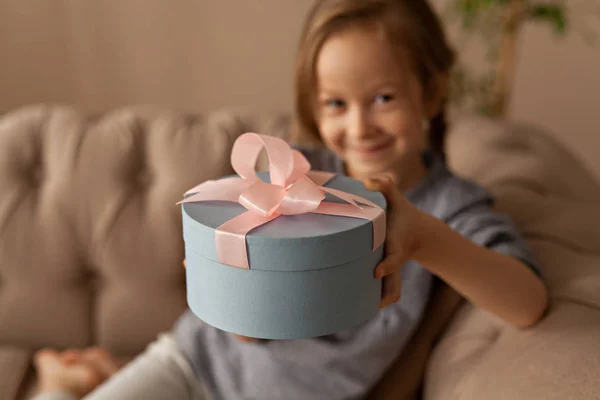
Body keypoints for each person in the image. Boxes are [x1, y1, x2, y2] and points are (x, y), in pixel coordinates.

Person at [32, 1, 548, 399]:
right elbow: (244, 329)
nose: (358, 126)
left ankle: (86, 377)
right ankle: (63, 380)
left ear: (431, 94)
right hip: (195, 363)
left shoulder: (451, 208)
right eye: (336, 104)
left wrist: (424, 237)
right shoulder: (294, 174)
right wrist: (231, 295)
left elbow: (527, 303)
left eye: (383, 98)